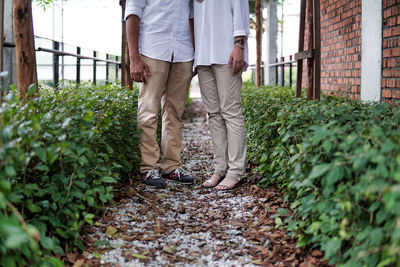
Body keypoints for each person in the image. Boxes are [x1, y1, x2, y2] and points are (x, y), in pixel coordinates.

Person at [125, 0, 195, 189]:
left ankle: (171, 166)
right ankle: (149, 166)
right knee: (148, 110)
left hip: (183, 52)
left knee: (175, 113)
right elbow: (132, 15)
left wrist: (196, 54)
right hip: (152, 49)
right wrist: (134, 59)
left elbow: (192, 16)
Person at [193, 0, 249, 190]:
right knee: (214, 114)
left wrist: (239, 45)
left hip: (227, 53)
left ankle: (235, 171)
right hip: (203, 56)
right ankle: (220, 168)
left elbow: (240, 9)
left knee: (231, 112)